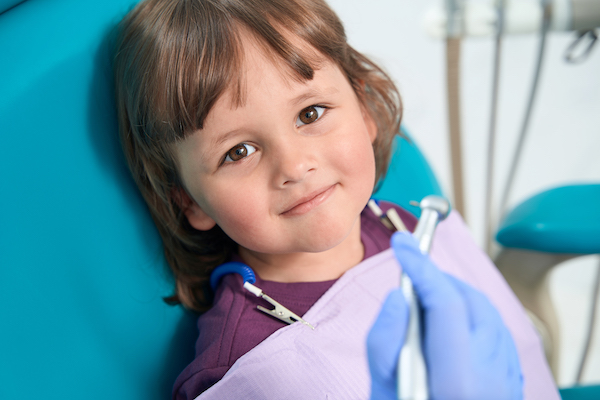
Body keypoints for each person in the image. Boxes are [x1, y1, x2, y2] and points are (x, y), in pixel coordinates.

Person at [112, 0, 558, 398]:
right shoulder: (244, 370)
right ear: (190, 201)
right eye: (238, 152)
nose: (294, 166)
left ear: (364, 112)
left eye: (310, 113)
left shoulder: (406, 227)